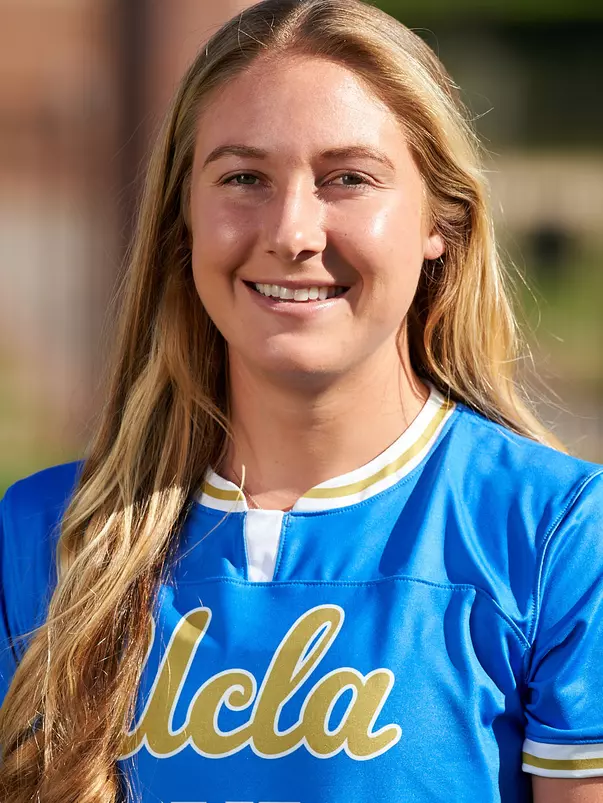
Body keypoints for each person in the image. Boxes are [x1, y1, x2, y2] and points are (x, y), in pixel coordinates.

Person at [1, 0, 602, 800]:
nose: (292, 230)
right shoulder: (43, 537)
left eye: (347, 178)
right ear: (184, 216)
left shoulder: (553, 537)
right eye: (243, 177)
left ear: (440, 220)